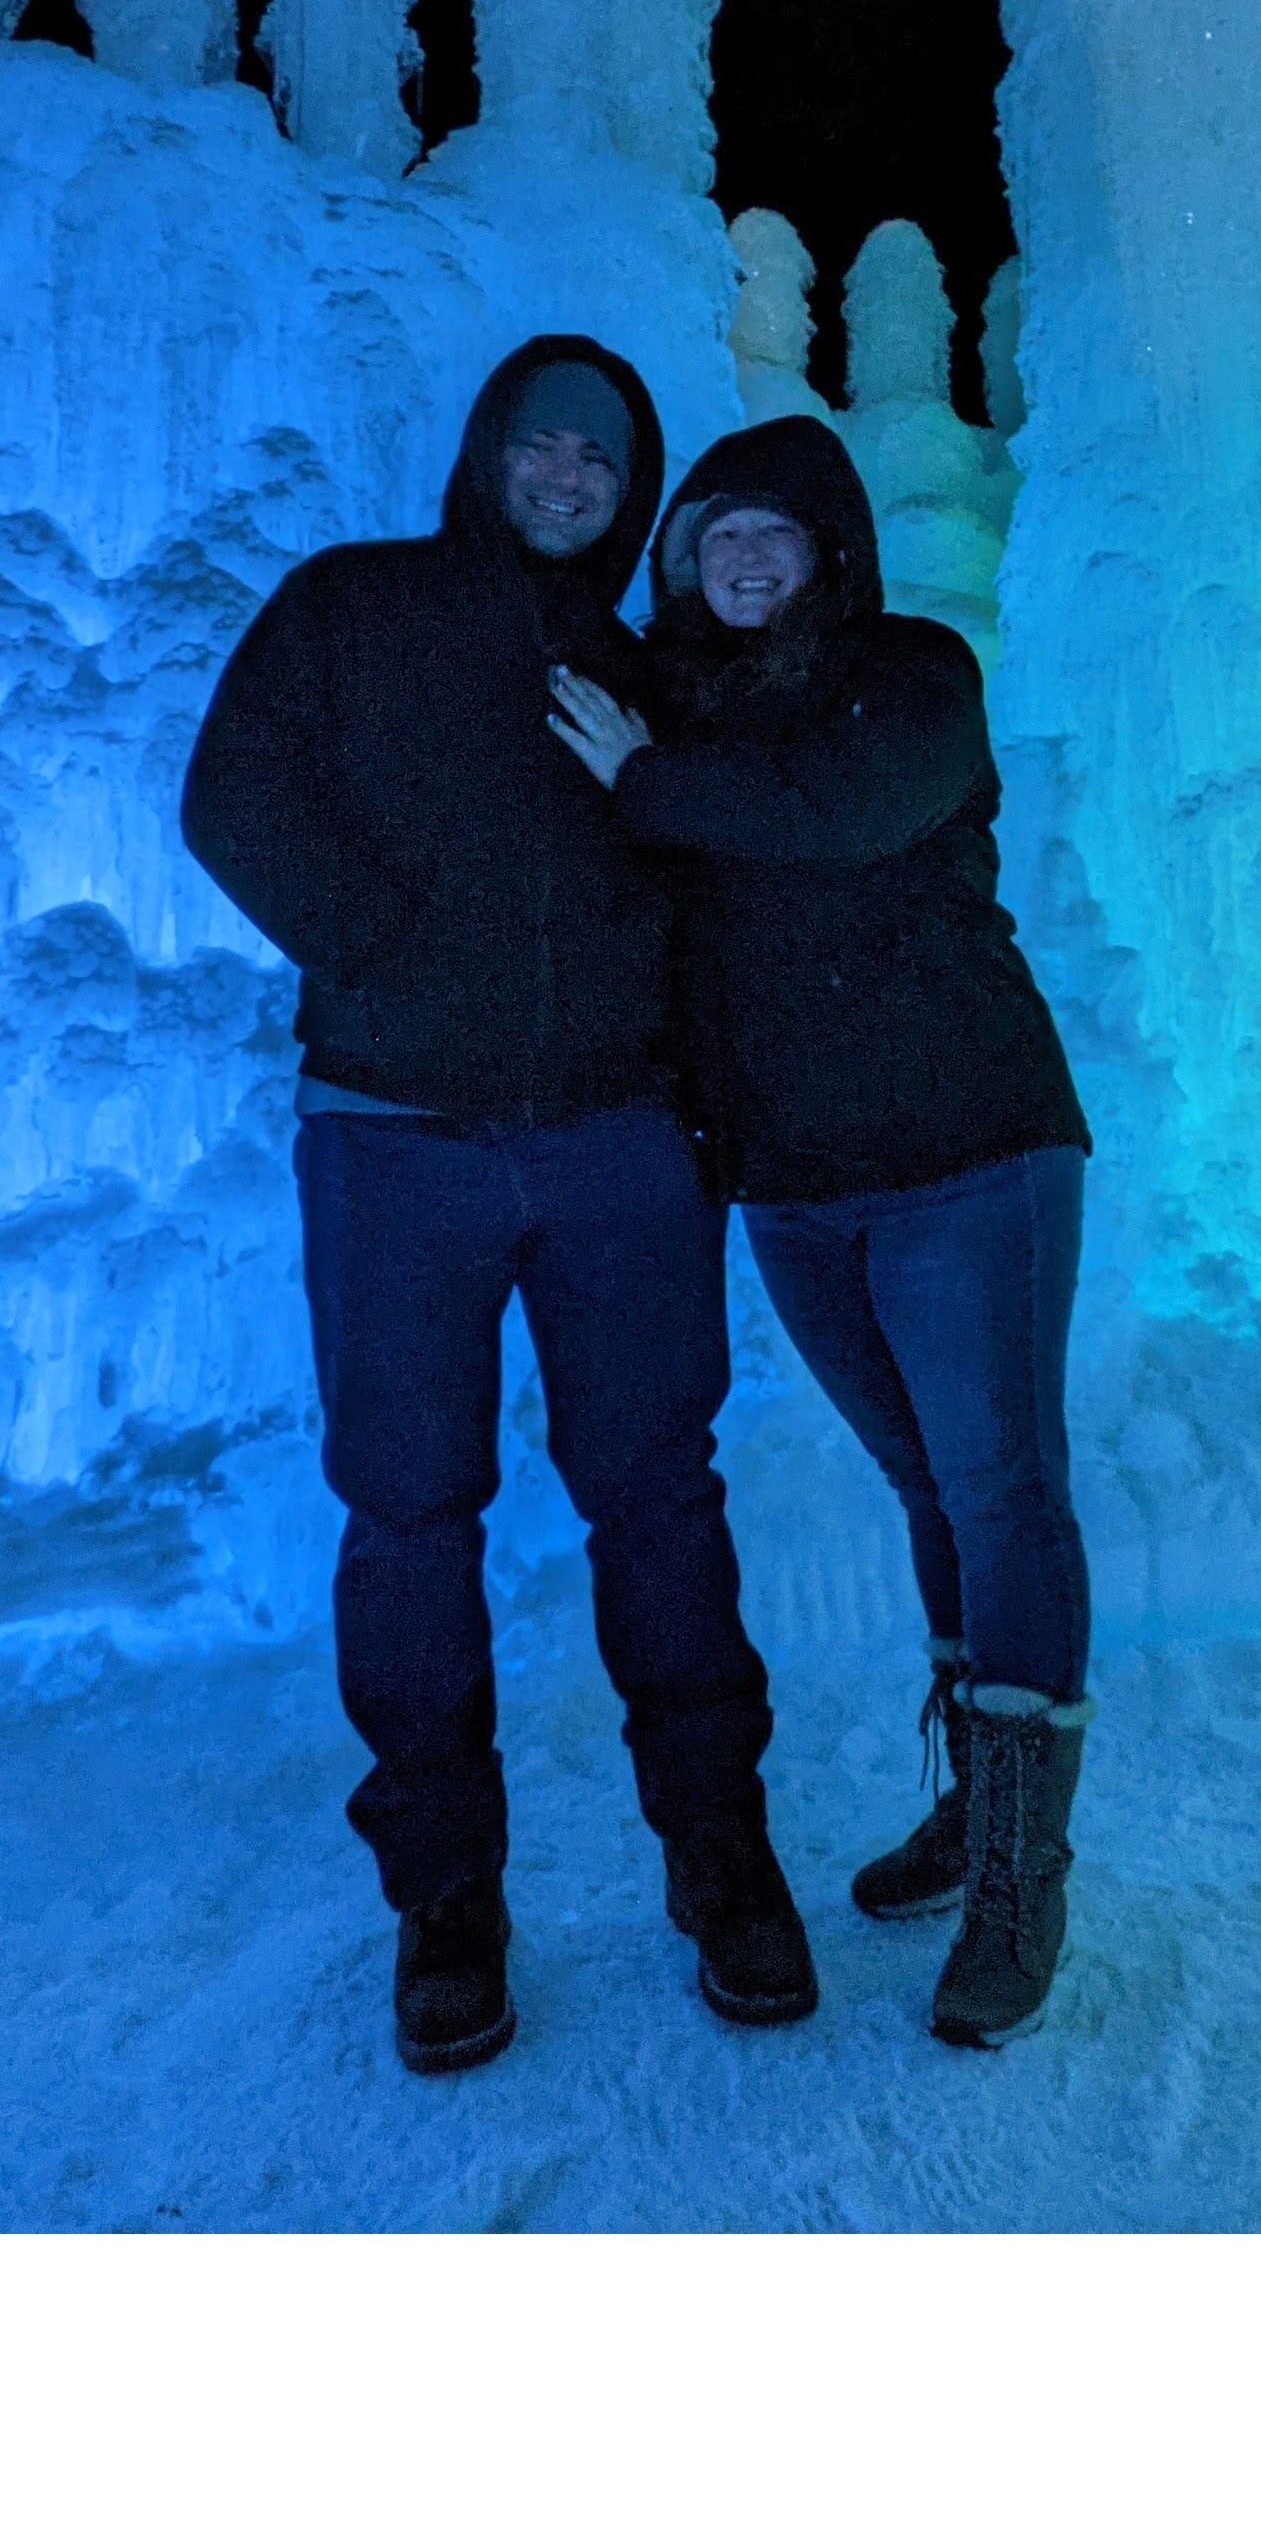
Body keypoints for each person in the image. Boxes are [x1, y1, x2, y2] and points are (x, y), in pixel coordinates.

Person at [180, 337, 816, 2076]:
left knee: (661, 1499)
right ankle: (447, 1901)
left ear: (635, 493)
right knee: (409, 1519)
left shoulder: (648, 663)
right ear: (485, 453)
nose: (568, 475)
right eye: (542, 443)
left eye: (604, 461)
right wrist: (386, 955)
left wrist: (709, 1110)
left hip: (618, 1147)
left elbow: (724, 876)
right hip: (395, 1137)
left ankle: (719, 1851)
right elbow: (228, 796)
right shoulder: (352, 605)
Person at [543, 411, 1096, 2050]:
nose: (742, 558)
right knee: (930, 1486)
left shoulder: (912, 677)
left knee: (1002, 1492)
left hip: (971, 1155)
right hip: (796, 1186)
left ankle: (1020, 1881)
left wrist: (641, 783)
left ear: (832, 550)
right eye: (712, 537)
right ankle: (975, 1806)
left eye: (773, 534)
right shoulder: (679, 715)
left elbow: (835, 814)